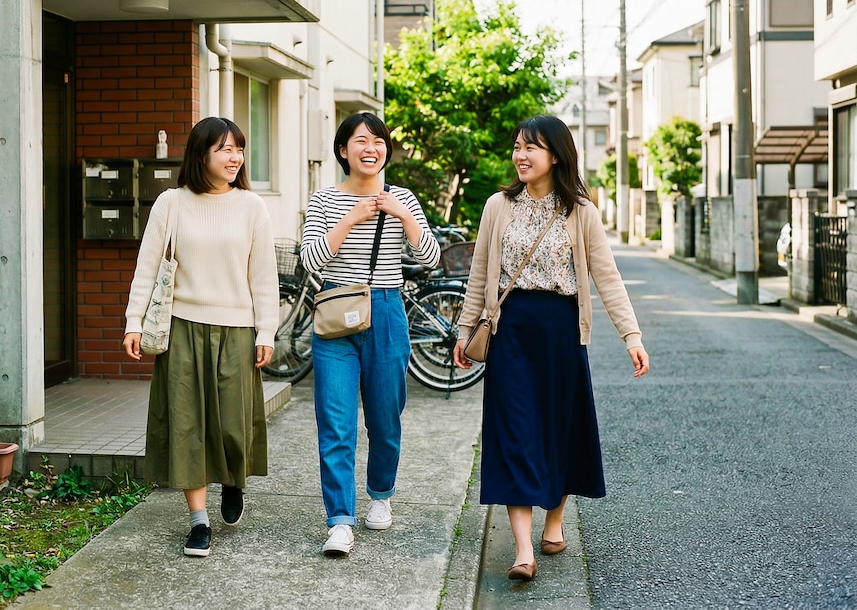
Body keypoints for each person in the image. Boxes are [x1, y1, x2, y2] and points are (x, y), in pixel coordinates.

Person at [452, 114, 650, 582]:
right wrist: (464, 330)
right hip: (511, 332)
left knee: (560, 430)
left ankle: (555, 520)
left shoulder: (580, 211)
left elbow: (607, 277)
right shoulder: (498, 205)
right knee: (515, 433)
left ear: (556, 156)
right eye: (517, 146)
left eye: (531, 148)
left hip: (562, 334)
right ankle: (523, 550)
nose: (520, 155)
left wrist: (632, 335)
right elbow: (479, 274)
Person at [123, 117, 278, 559]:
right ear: (201, 154)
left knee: (232, 424)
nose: (235, 158)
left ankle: (231, 480)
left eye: (239, 149)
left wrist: (266, 330)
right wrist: (134, 322)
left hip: (237, 330)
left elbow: (263, 275)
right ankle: (198, 520)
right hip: (182, 329)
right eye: (225, 149)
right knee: (187, 425)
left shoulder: (251, 206)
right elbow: (147, 267)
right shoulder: (171, 203)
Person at [300, 112, 441, 556]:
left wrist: (403, 215)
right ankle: (340, 520)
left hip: (385, 310)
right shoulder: (324, 200)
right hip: (336, 314)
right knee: (335, 423)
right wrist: (349, 220)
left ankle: (380, 494)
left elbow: (431, 258)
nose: (371, 148)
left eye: (378, 141)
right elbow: (311, 261)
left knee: (385, 419)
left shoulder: (403, 198)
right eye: (361, 140)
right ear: (343, 150)